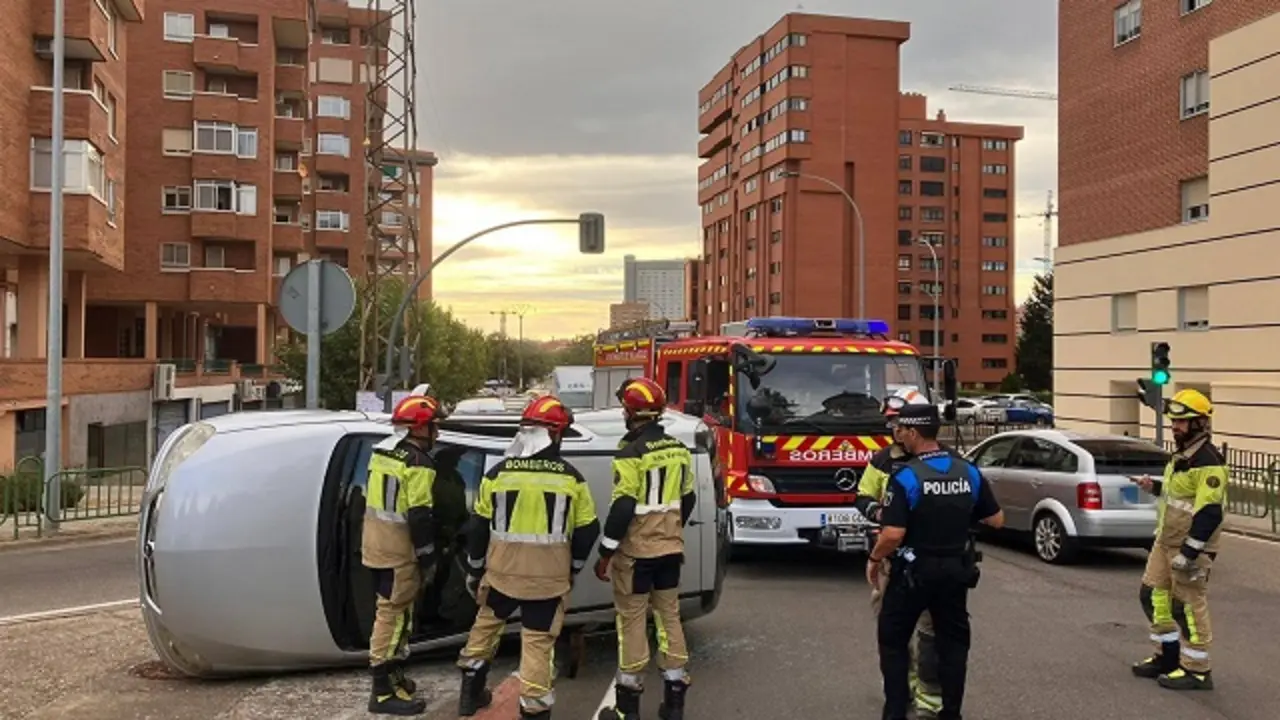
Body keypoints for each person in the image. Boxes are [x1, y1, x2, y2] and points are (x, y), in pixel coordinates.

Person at [455, 395, 601, 719]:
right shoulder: (571, 478)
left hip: (501, 575)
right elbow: (589, 530)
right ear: (556, 434)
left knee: (484, 630)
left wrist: (475, 569)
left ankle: (470, 696)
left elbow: (478, 527)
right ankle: (534, 712)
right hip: (548, 582)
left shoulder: (497, 474)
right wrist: (573, 568)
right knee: (536, 646)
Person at [867, 403, 1004, 720]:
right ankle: (951, 713)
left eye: (904, 431)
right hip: (956, 572)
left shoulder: (907, 476)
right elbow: (996, 519)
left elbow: (893, 534)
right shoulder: (967, 471)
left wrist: (875, 559)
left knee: (893, 641)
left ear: (913, 433)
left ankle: (896, 711)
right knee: (953, 646)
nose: (901, 436)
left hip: (913, 573)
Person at [596, 377, 697, 720]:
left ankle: (628, 710)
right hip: (669, 551)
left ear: (631, 412)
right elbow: (689, 497)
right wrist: (669, 530)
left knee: (632, 622)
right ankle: (674, 705)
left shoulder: (629, 453)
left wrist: (606, 552)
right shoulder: (679, 450)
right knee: (669, 618)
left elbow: (623, 507)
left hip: (636, 555)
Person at [853, 387, 944, 719]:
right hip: (894, 562)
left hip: (927, 561)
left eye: (899, 423)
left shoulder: (941, 460)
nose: (894, 430)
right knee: (893, 636)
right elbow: (862, 495)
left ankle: (928, 698)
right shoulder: (882, 460)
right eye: (892, 423)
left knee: (930, 633)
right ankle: (900, 691)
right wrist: (879, 512)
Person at [1130, 388, 1227, 691]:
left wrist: (1189, 552)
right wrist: (1155, 486)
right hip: (1166, 541)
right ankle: (1167, 657)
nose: (1175, 426)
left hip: (1190, 547)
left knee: (1186, 605)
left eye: (1181, 422)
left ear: (1199, 424)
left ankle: (1197, 670)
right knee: (1153, 596)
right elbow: (1180, 496)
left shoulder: (1209, 460)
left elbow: (1209, 512)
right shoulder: (1184, 454)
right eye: (1173, 421)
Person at [362, 393, 445, 716]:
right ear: (420, 429)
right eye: (434, 426)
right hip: (398, 551)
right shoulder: (419, 463)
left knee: (398, 612)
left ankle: (394, 676)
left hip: (375, 545)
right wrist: (428, 558)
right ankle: (381, 692)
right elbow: (419, 515)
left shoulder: (382, 452)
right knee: (392, 616)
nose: (437, 432)